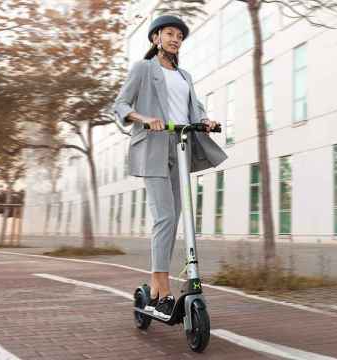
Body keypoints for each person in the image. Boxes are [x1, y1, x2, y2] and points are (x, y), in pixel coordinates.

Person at [113, 15, 227, 319]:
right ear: (156, 38)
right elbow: (120, 106)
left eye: (179, 35)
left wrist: (205, 121)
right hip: (152, 147)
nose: (175, 39)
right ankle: (160, 288)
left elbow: (195, 108)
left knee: (176, 219)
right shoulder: (143, 68)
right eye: (169, 33)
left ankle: (157, 285)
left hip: (180, 147)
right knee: (164, 216)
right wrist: (145, 118)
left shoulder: (185, 76)